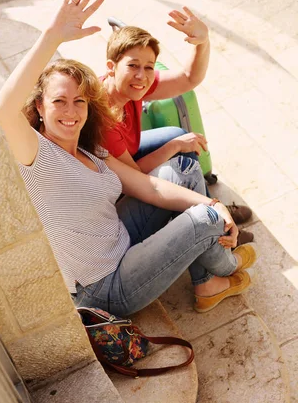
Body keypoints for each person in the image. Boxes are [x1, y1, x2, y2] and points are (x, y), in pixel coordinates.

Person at [0, 0, 256, 316]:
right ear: (40, 108)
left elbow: (149, 186)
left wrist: (214, 201)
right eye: (59, 102)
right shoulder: (38, 156)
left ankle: (210, 264)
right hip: (106, 287)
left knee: (186, 175)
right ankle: (226, 265)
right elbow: (3, 111)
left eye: (78, 101)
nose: (71, 112)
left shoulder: (89, 151)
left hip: (122, 239)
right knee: (203, 219)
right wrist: (52, 36)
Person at [101, 17, 254, 245]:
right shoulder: (103, 117)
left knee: (176, 134)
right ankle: (216, 230)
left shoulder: (130, 86)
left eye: (149, 67)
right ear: (111, 67)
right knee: (178, 147)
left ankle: (211, 208)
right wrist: (175, 147)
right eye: (133, 66)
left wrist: (202, 42)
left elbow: (187, 78)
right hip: (116, 194)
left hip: (126, 161)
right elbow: (135, 176)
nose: (142, 76)